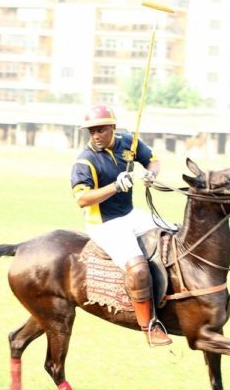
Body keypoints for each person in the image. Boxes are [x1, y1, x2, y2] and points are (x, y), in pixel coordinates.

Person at [70, 105, 171, 347]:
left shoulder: (128, 141)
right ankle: (149, 326)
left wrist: (150, 175)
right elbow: (81, 199)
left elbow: (153, 161)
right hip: (105, 223)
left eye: (101, 130)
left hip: (130, 214)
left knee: (174, 235)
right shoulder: (85, 161)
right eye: (91, 131)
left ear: (113, 128)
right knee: (137, 269)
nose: (95, 135)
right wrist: (116, 186)